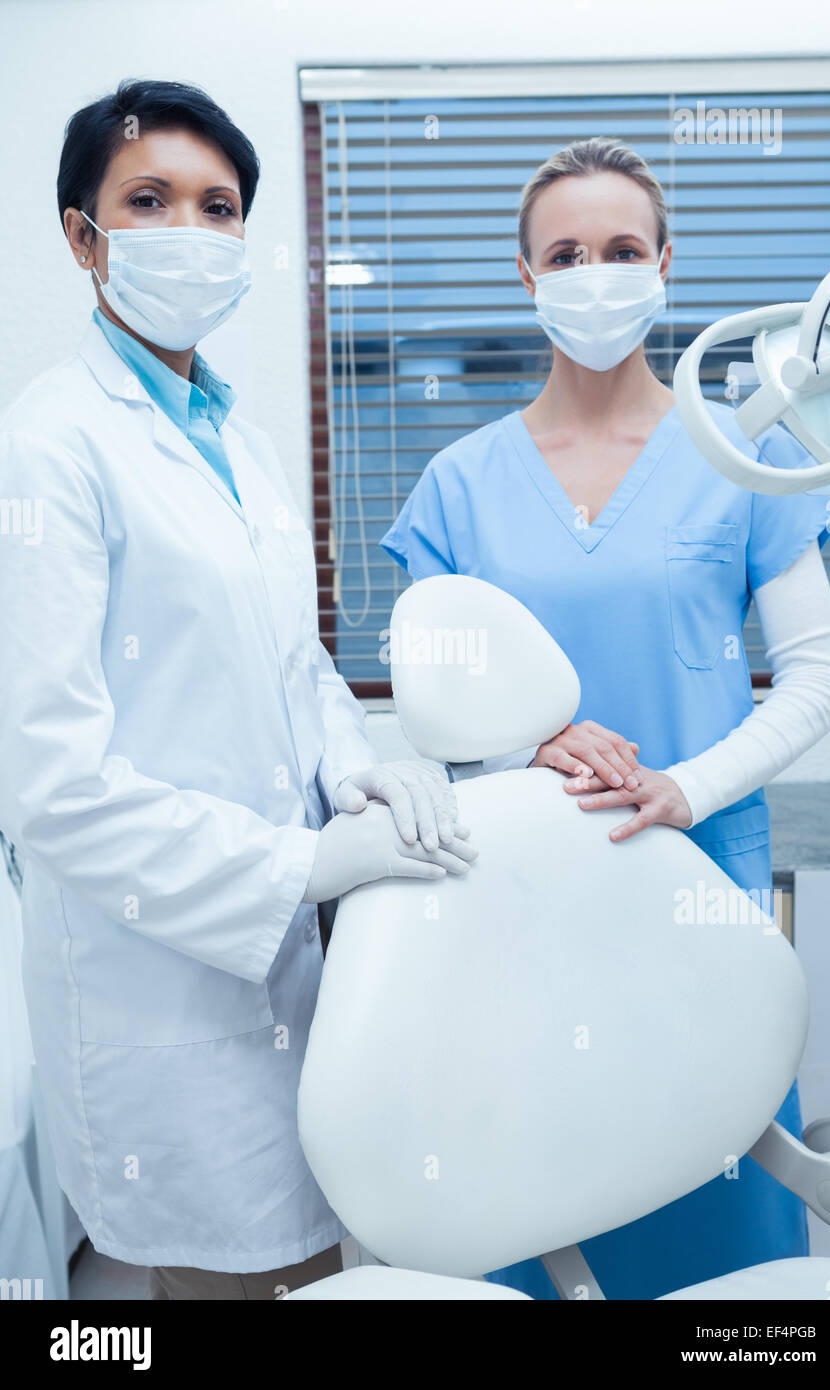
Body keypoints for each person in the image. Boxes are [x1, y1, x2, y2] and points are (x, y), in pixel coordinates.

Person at [0, 79, 478, 1302]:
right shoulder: (49, 446)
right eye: (148, 200)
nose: (191, 230)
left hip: (281, 961)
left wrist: (354, 763)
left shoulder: (239, 438)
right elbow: (45, 780)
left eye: (219, 206)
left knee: (308, 1257)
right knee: (225, 1273)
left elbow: (291, 662)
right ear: (80, 235)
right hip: (157, 967)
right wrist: (298, 868)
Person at [380, 136, 830, 1299]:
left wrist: (685, 786)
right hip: (513, 911)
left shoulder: (744, 457)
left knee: (723, 1241)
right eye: (566, 252)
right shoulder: (458, 483)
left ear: (664, 263)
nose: (596, 272)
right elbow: (428, 718)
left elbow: (811, 680)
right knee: (541, 1207)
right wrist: (524, 739)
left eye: (622, 247)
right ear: (527, 276)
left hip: (699, 897)